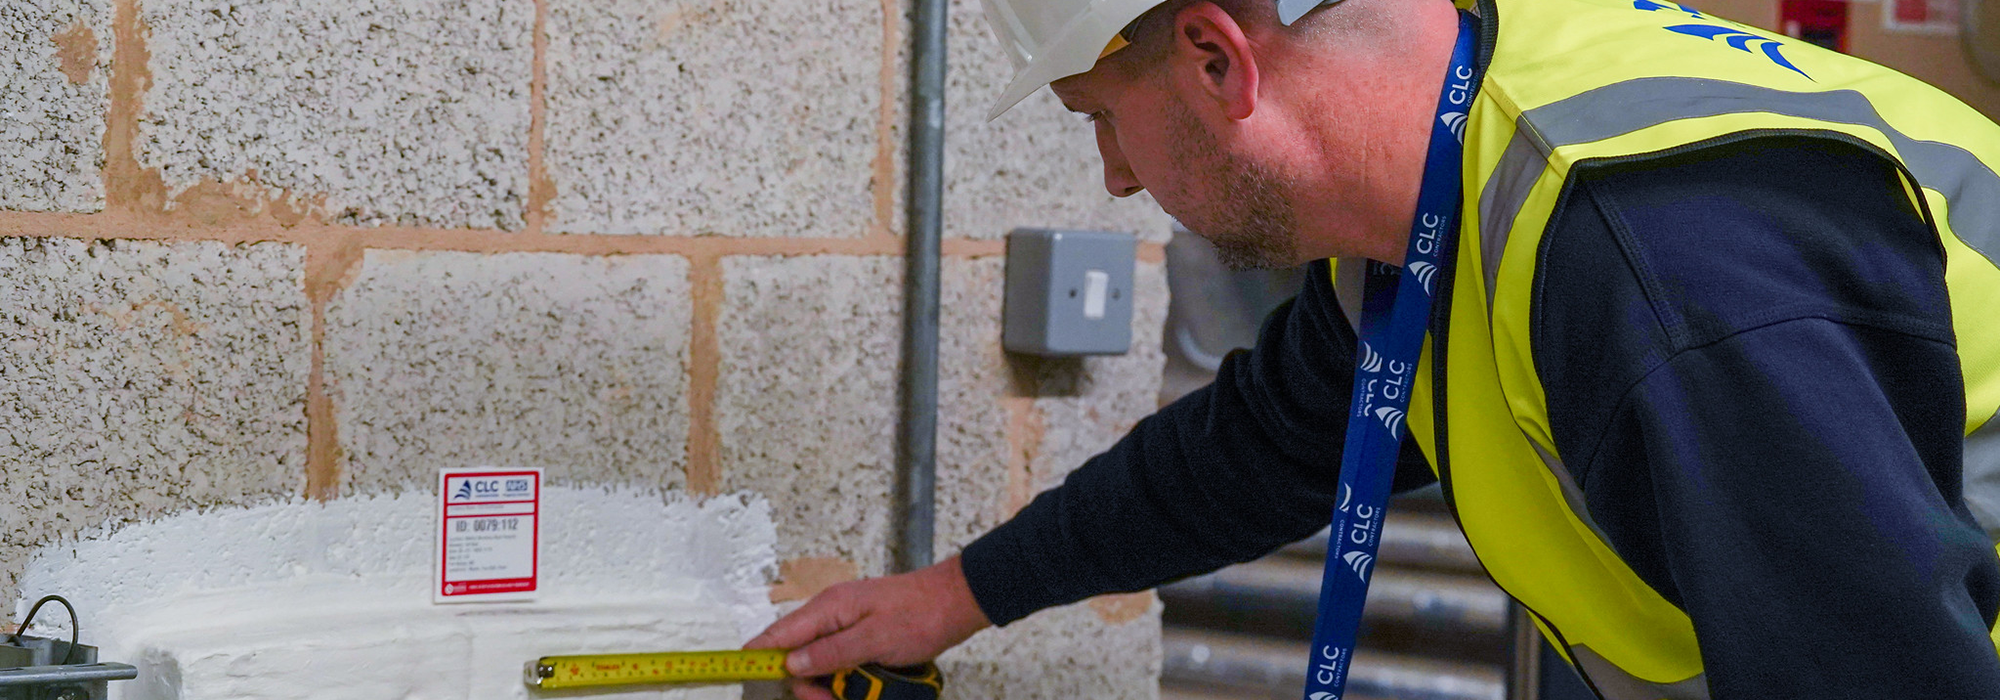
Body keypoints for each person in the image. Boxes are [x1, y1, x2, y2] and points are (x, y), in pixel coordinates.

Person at [747, 0, 2000, 696]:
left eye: (1102, 124)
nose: (1116, 179)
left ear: (1210, 57)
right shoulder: (1434, 199)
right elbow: (1253, 448)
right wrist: (950, 596)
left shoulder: (1647, 259)